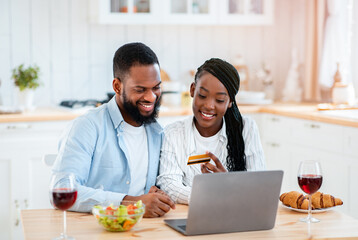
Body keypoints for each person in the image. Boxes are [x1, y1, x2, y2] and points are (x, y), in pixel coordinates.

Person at [52, 42, 175, 217]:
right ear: (117, 86)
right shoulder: (87, 127)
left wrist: (159, 196)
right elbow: (61, 189)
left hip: (143, 230)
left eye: (156, 88)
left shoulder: (158, 133)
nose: (151, 97)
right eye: (140, 90)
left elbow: (154, 190)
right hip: (95, 229)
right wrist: (131, 202)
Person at [157, 58, 266, 204]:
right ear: (192, 90)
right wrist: (216, 194)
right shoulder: (173, 134)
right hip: (190, 217)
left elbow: (258, 185)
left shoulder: (246, 129)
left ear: (230, 102)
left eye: (220, 100)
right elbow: (170, 185)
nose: (209, 105)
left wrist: (228, 183)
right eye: (202, 95)